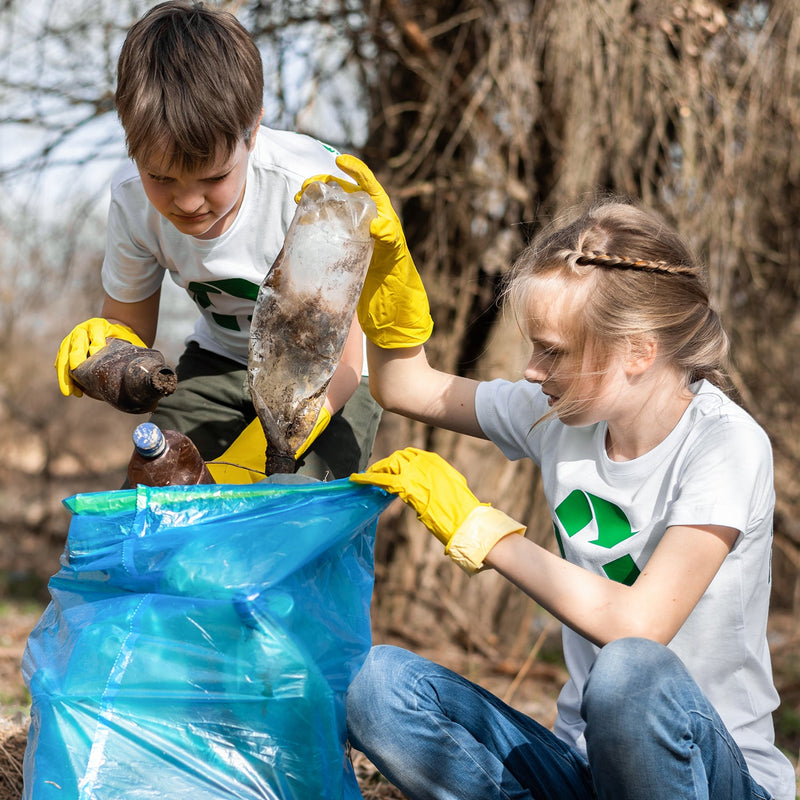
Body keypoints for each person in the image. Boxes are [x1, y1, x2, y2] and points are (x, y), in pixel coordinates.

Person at [303, 156, 796, 799]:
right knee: (375, 686)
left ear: (639, 351)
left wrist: (488, 535)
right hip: (585, 773)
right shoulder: (559, 415)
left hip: (715, 779)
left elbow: (638, 625)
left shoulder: (725, 445)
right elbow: (405, 387)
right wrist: (388, 272)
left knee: (628, 674)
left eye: (554, 351)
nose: (533, 371)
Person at [54, 0, 381, 481]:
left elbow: (346, 361)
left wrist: (270, 449)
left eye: (213, 178)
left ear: (252, 130)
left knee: (295, 521)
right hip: (223, 358)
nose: (187, 202)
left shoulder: (317, 194)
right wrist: (111, 349)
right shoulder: (131, 200)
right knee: (153, 495)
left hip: (330, 378)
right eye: (161, 177)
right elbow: (129, 326)